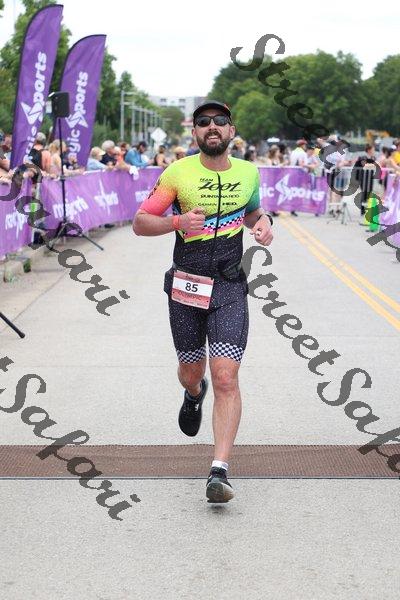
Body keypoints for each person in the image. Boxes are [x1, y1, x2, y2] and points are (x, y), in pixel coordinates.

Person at [133, 100, 273, 503]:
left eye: (220, 121)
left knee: (227, 376)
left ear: (232, 131)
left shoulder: (248, 173)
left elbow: (252, 212)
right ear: (194, 132)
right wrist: (177, 222)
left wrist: (264, 222)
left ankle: (219, 471)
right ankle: (194, 393)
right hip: (187, 285)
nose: (212, 126)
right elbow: (141, 222)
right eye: (204, 122)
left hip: (229, 286)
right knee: (191, 372)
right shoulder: (177, 173)